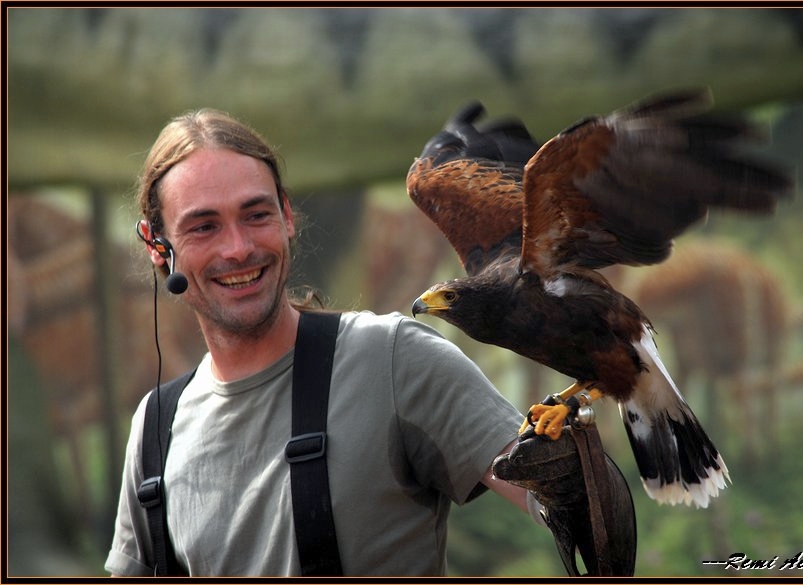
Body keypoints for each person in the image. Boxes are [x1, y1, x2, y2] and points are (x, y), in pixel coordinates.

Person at [105, 109, 544, 576]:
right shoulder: (155, 429)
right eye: (204, 226)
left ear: (287, 215)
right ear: (157, 245)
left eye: (256, 215)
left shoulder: (391, 360)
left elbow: (573, 503)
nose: (237, 248)